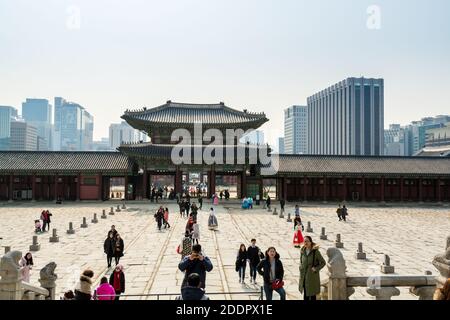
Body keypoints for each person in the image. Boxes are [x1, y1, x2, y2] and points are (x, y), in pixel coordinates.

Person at [299, 236, 326, 300]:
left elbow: (323, 262)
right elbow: (301, 261)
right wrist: (300, 267)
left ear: (311, 242)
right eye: (304, 241)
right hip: (304, 276)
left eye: (307, 241)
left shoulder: (315, 252)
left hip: (312, 276)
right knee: (305, 294)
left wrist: (316, 268)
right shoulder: (302, 251)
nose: (306, 243)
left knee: (313, 295)